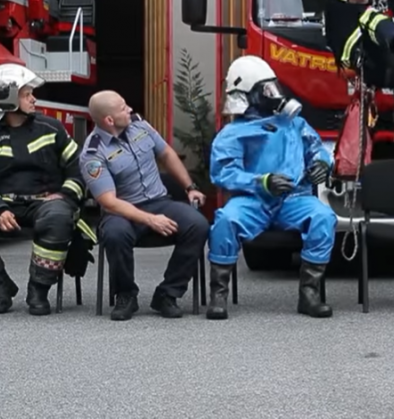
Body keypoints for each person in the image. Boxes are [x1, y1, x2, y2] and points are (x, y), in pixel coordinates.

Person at [206, 55, 337, 320]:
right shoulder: (232, 134)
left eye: (273, 87)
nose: (274, 95)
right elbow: (223, 173)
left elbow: (319, 150)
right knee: (225, 220)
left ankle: (309, 294)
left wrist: (324, 164)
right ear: (247, 95)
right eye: (265, 90)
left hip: (294, 199)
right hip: (252, 200)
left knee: (324, 217)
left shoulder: (295, 124)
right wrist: (262, 182)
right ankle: (218, 294)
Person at [79, 90, 209, 321]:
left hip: (159, 201)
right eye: (122, 107)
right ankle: (126, 294)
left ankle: (167, 294)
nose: (129, 109)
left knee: (197, 224)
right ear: (109, 120)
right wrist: (150, 219)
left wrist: (190, 188)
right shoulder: (92, 153)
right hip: (122, 211)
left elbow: (166, 153)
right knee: (115, 234)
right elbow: (109, 202)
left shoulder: (140, 125)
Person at [0, 64, 88, 315]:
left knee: (58, 217)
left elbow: (78, 168)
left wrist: (66, 195)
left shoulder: (51, 128)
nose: (34, 99)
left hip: (47, 203)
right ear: (7, 97)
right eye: (27, 94)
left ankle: (38, 289)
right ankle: (2, 287)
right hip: (6, 205)